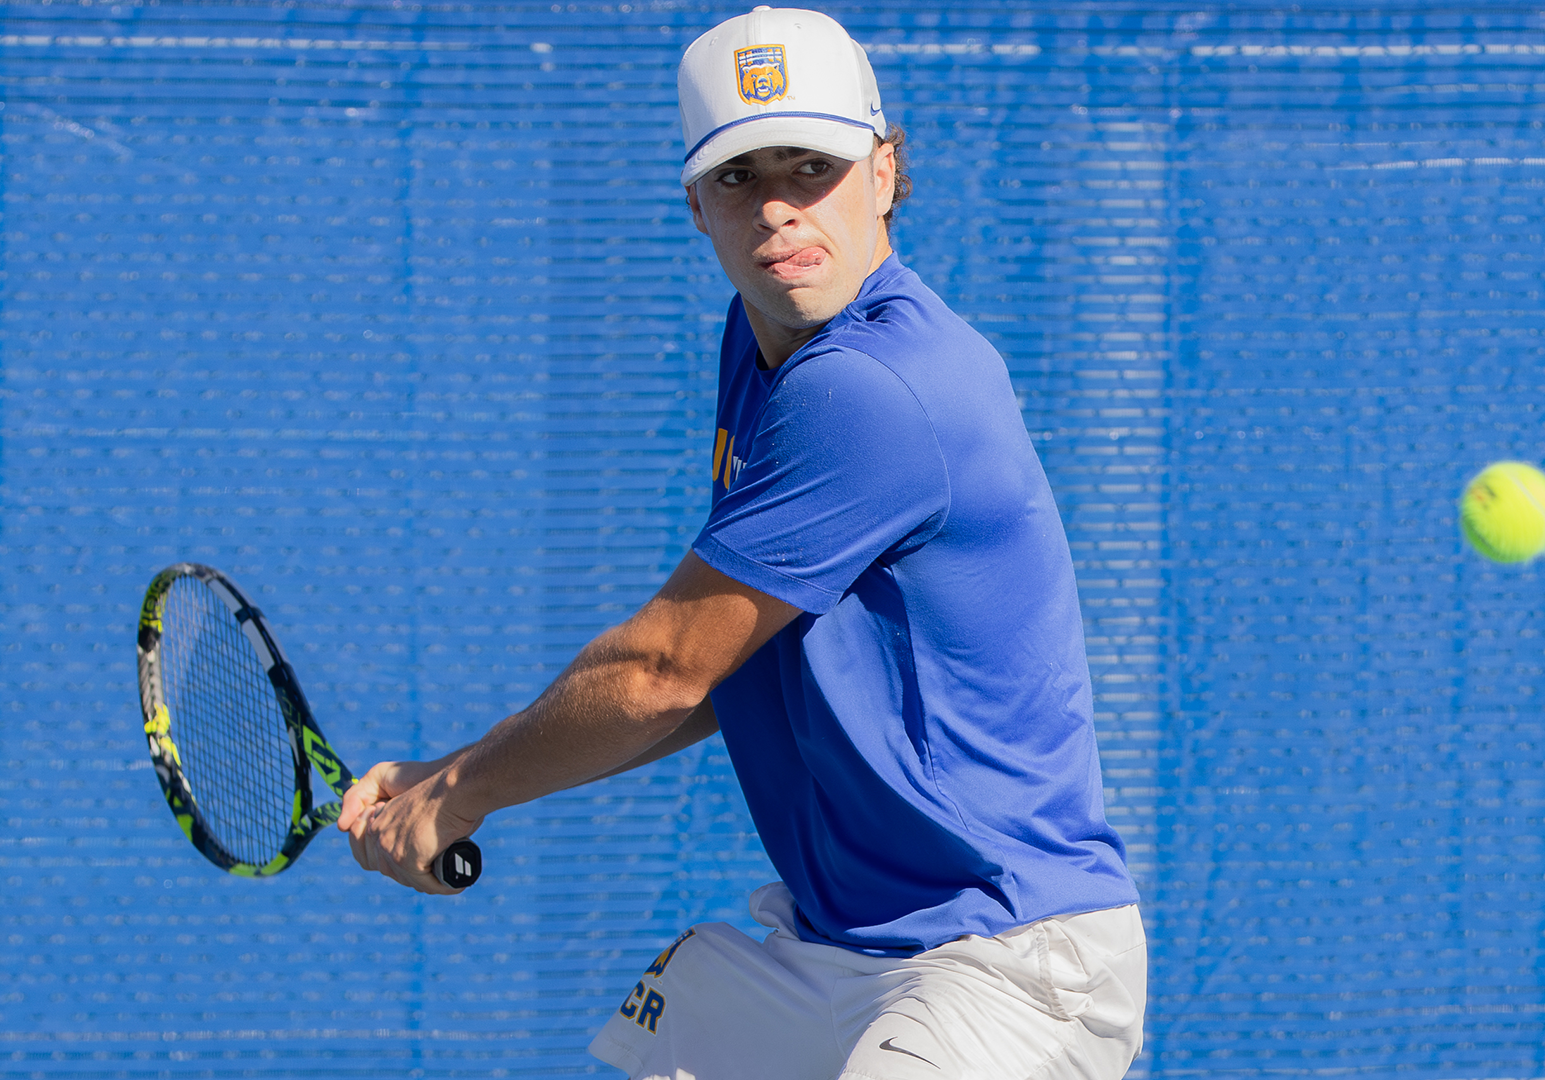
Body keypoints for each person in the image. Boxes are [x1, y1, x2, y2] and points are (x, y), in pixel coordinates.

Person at [336, 7, 1146, 1078]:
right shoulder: (765, 345)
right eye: (737, 177)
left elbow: (666, 668)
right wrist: (455, 773)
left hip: (999, 960)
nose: (776, 208)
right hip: (836, 947)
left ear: (885, 171)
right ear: (696, 206)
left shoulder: (871, 388)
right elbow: (726, 671)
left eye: (812, 166)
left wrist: (462, 792)